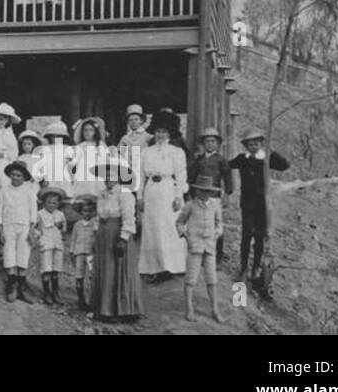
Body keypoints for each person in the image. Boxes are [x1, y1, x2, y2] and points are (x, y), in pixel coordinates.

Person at [229, 128, 290, 283]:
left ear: (261, 144)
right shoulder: (242, 158)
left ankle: (256, 267)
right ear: (246, 146)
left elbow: (285, 165)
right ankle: (243, 267)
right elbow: (227, 165)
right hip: (247, 203)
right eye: (250, 144)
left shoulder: (266, 159)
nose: (253, 147)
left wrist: (271, 151)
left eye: (256, 144)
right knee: (246, 234)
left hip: (262, 203)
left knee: (259, 236)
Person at [90, 159, 143, 321]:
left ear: (118, 177)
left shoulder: (125, 194)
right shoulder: (101, 194)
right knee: (105, 270)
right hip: (103, 234)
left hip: (118, 234)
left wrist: (123, 238)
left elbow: (129, 218)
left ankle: (123, 310)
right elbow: (99, 217)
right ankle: (104, 309)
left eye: (112, 176)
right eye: (106, 177)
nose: (108, 180)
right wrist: (96, 234)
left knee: (118, 269)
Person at [138, 112, 188, 282]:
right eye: (158, 131)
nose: (160, 135)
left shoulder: (177, 151)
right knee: (152, 227)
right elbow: (139, 176)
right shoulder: (146, 152)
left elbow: (181, 175)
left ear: (170, 133)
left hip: (168, 189)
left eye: (164, 132)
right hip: (151, 190)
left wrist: (179, 196)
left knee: (167, 227)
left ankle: (171, 266)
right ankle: (153, 266)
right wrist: (139, 196)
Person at [178, 177, 225, 322]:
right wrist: (185, 235)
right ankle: (189, 309)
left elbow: (219, 224)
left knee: (211, 278)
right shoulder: (190, 206)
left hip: (210, 246)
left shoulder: (215, 205)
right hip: (195, 246)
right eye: (202, 191)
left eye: (208, 192)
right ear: (197, 191)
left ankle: (215, 309)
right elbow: (180, 222)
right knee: (191, 278)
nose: (205, 194)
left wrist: (217, 233)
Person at [189, 126, 233, 261]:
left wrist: (227, 194)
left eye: (213, 141)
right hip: (199, 196)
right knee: (200, 223)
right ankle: (200, 252)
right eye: (207, 141)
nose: (210, 144)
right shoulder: (199, 159)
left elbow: (228, 178)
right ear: (203, 144)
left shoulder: (221, 160)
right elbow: (192, 176)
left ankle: (217, 255)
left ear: (217, 144)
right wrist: (191, 193)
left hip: (214, 196)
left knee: (216, 224)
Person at [0, 160, 37, 302]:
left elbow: (33, 212)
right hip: (8, 226)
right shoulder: (4, 190)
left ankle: (22, 286)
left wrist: (31, 230)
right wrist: (0, 230)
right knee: (9, 253)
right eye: (13, 175)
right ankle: (12, 285)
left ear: (24, 177)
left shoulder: (29, 191)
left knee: (23, 254)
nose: (15, 178)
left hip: (24, 226)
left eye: (19, 175)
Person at [36, 185, 68, 305]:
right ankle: (46, 293)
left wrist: (62, 227)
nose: (51, 205)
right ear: (43, 202)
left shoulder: (60, 214)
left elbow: (64, 229)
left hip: (57, 244)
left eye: (54, 203)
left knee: (56, 269)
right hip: (46, 244)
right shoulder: (40, 214)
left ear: (58, 204)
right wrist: (38, 236)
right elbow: (35, 229)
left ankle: (55, 293)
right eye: (49, 202)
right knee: (46, 268)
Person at [69, 116, 108, 199]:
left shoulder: (100, 145)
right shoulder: (79, 147)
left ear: (95, 132)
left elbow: (105, 163)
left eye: (91, 130)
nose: (88, 132)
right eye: (85, 130)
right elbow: (74, 164)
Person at [69, 193, 97, 305]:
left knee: (92, 275)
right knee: (79, 275)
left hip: (91, 253)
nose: (87, 213)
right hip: (79, 252)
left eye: (90, 211)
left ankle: (93, 299)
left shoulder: (95, 223)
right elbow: (73, 239)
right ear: (81, 211)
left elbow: (97, 237)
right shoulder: (77, 225)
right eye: (85, 211)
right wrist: (72, 252)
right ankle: (81, 299)